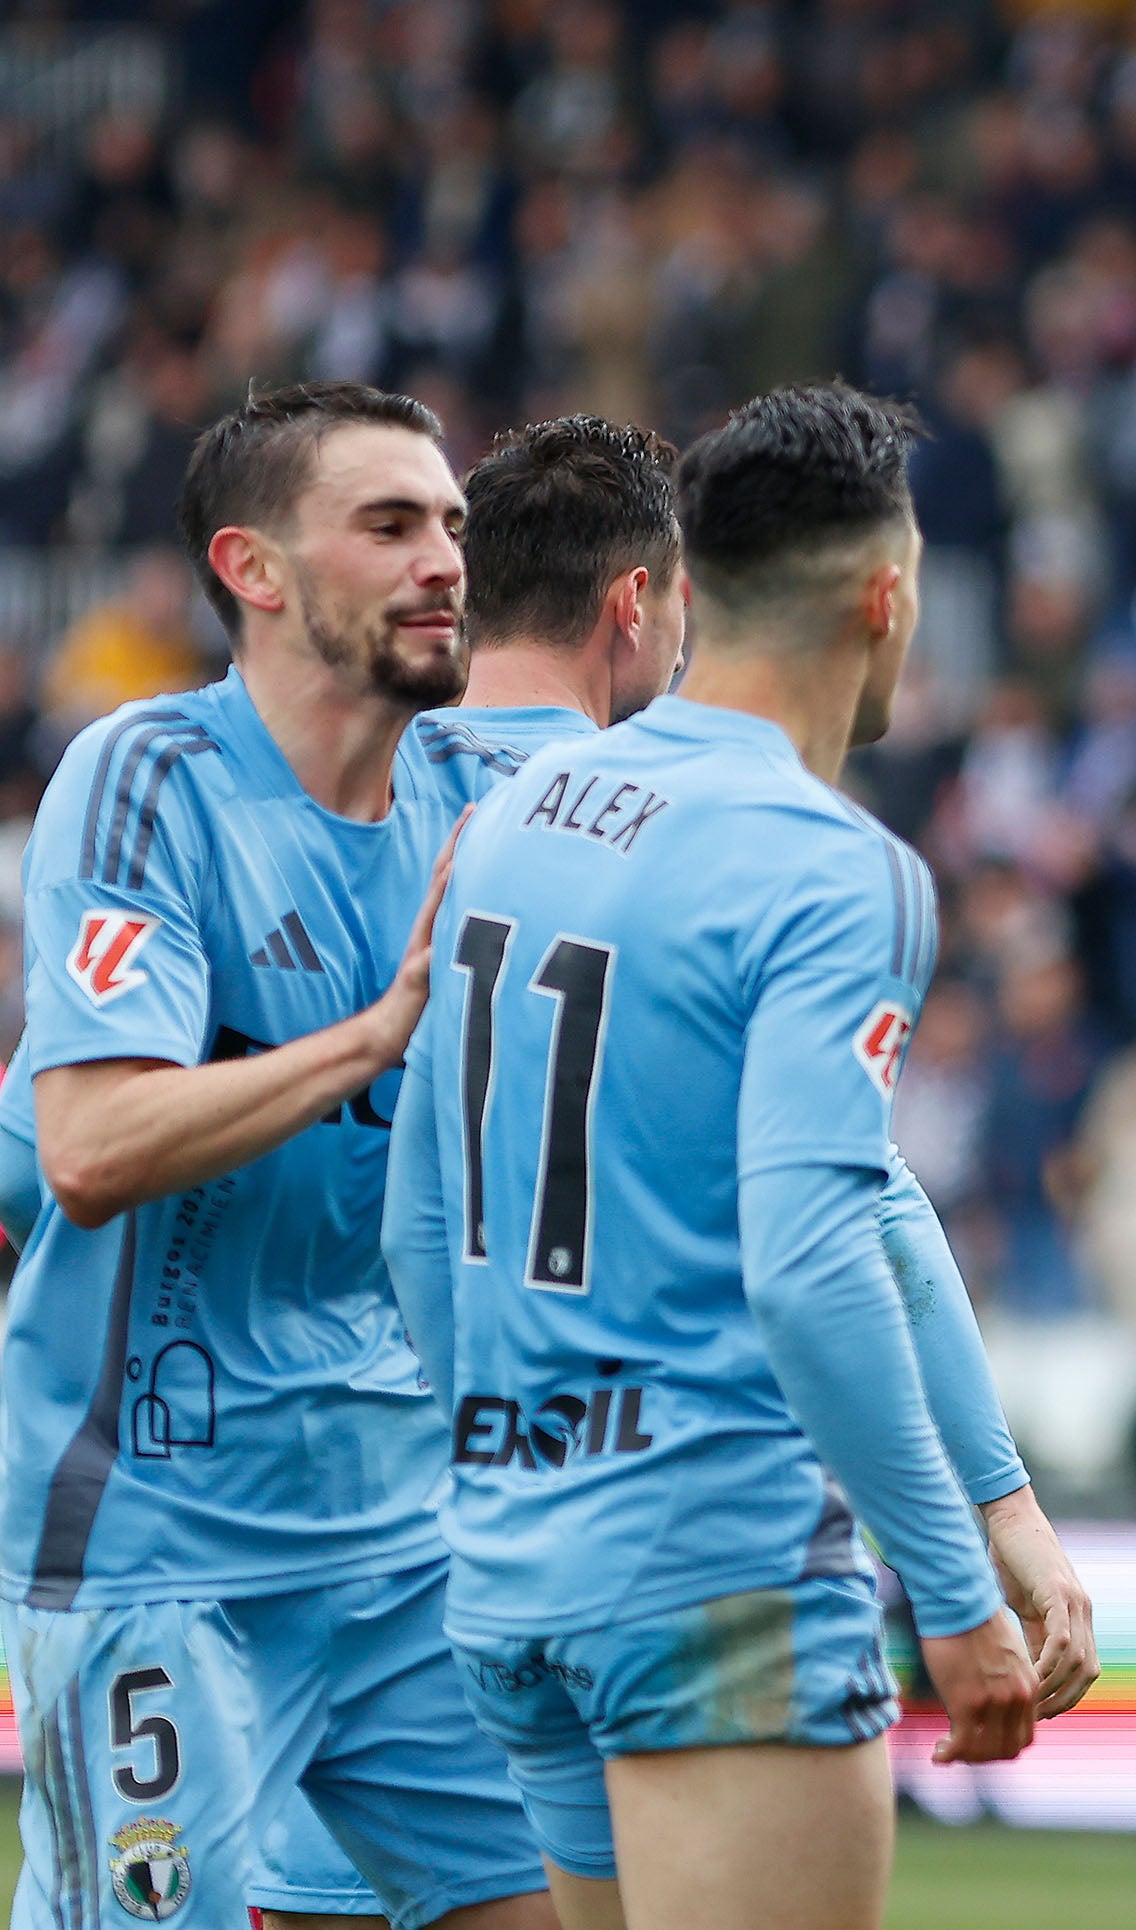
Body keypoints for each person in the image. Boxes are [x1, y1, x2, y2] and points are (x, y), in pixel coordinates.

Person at [381, 383, 1039, 1930]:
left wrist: (498, 1448)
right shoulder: (832, 866)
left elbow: (424, 1211)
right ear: (887, 600)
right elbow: (817, 1258)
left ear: (686, 592)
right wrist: (952, 1595)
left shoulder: (523, 807)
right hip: (714, 1564)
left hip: (509, 1563)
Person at [0, 380, 551, 1929]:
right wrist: (379, 1035)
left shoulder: (485, 801)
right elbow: (90, 1144)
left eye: (452, 521)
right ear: (254, 568)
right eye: (390, 524)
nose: (446, 556)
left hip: (396, 1537)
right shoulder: (149, 779)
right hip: (158, 1543)